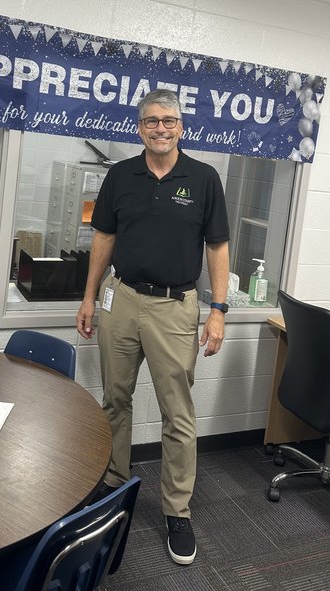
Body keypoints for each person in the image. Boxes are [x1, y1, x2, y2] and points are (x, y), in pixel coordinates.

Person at [76, 89, 230, 566]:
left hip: (175, 307)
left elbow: (218, 247)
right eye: (150, 122)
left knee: (177, 414)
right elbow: (104, 237)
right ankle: (113, 485)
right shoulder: (121, 176)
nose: (160, 128)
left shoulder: (204, 179)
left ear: (181, 127)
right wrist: (88, 296)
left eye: (168, 121)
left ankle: (177, 510)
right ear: (138, 127)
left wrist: (219, 309)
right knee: (114, 400)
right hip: (121, 300)